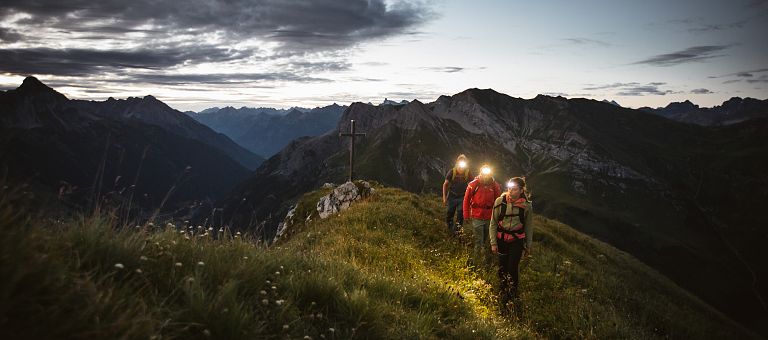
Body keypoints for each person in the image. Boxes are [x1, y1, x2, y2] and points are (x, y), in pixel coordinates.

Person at [489, 177, 533, 317]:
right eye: (509, 188)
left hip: (516, 241)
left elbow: (528, 226)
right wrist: (493, 243)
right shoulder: (499, 202)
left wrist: (528, 246)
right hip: (501, 239)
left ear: (521, 190)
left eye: (514, 189)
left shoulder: (527, 206)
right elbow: (493, 223)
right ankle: (502, 291)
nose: (511, 192)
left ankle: (512, 293)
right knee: (502, 267)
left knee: (512, 267)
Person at [463, 165, 500, 267]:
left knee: (486, 240)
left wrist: (498, 217)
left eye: (488, 174)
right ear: (480, 173)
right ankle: (476, 262)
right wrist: (466, 214)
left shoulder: (495, 186)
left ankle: (485, 261)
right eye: (484, 174)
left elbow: (498, 202)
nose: (485, 176)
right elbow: (466, 200)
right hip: (477, 216)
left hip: (490, 218)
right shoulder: (473, 184)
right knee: (479, 240)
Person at [442, 154, 472, 236]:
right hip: (452, 196)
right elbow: (445, 184)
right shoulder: (452, 172)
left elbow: (471, 186)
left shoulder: (467, 173)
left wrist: (470, 199)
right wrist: (444, 197)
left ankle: (457, 232)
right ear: (457, 163)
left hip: (462, 197)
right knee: (449, 213)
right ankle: (449, 229)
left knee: (460, 214)